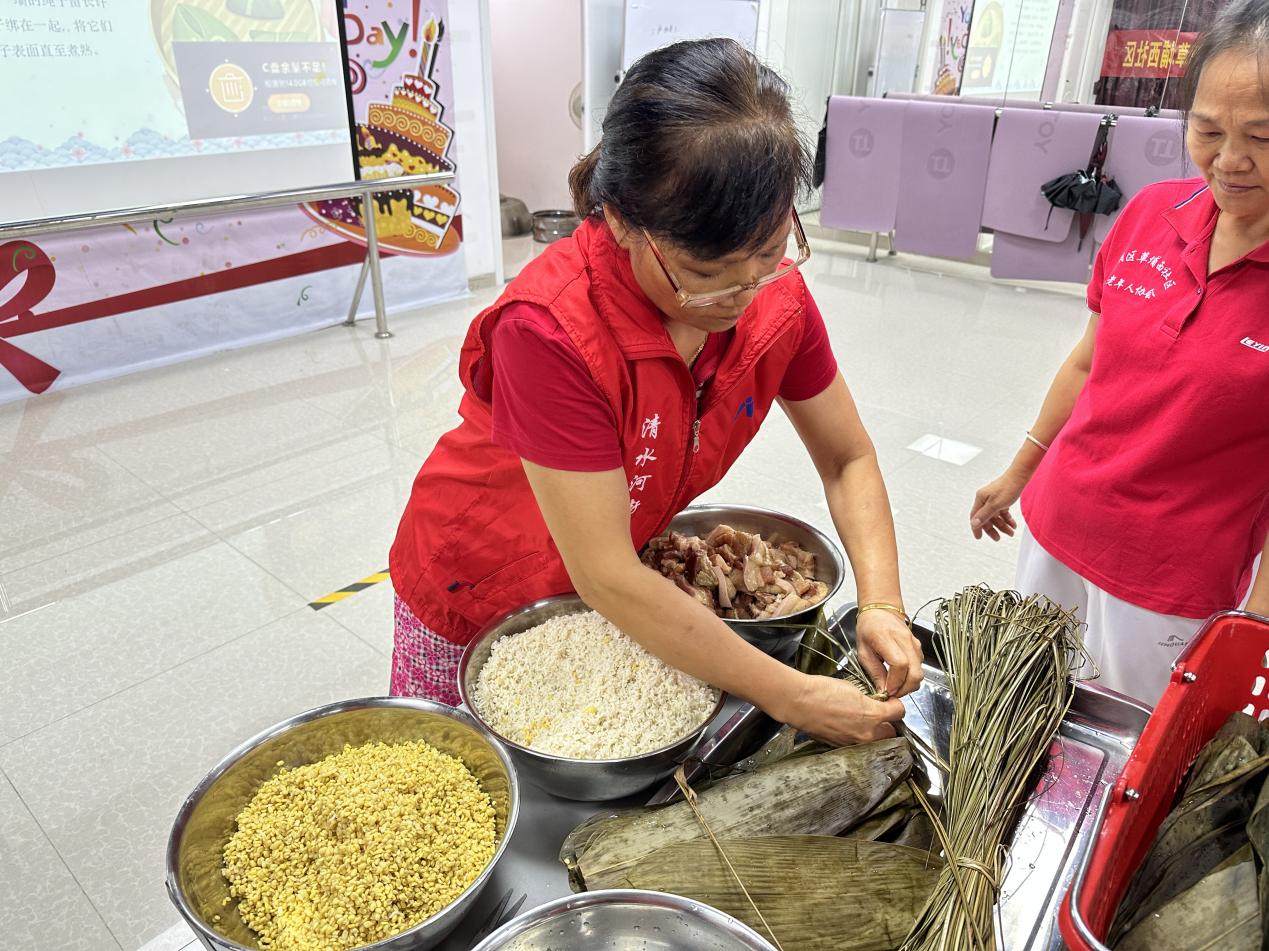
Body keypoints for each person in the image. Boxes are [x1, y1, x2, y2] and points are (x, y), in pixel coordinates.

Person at [388, 38, 923, 745]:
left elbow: (846, 457)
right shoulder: (550, 329)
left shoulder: (774, 297)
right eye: (704, 271)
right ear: (618, 219)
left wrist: (880, 601)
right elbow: (606, 570)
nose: (740, 293)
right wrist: (794, 697)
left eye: (767, 251)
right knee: (460, 783)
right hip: (483, 584)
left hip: (613, 594)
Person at [970, 0, 1269, 705]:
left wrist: (1258, 610)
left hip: (1170, 582)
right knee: (1020, 707)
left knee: (1131, 749)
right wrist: (1018, 470)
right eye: (1206, 129)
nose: (1228, 161)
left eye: (1260, 135)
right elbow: (1086, 364)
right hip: (1059, 522)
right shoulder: (1150, 213)